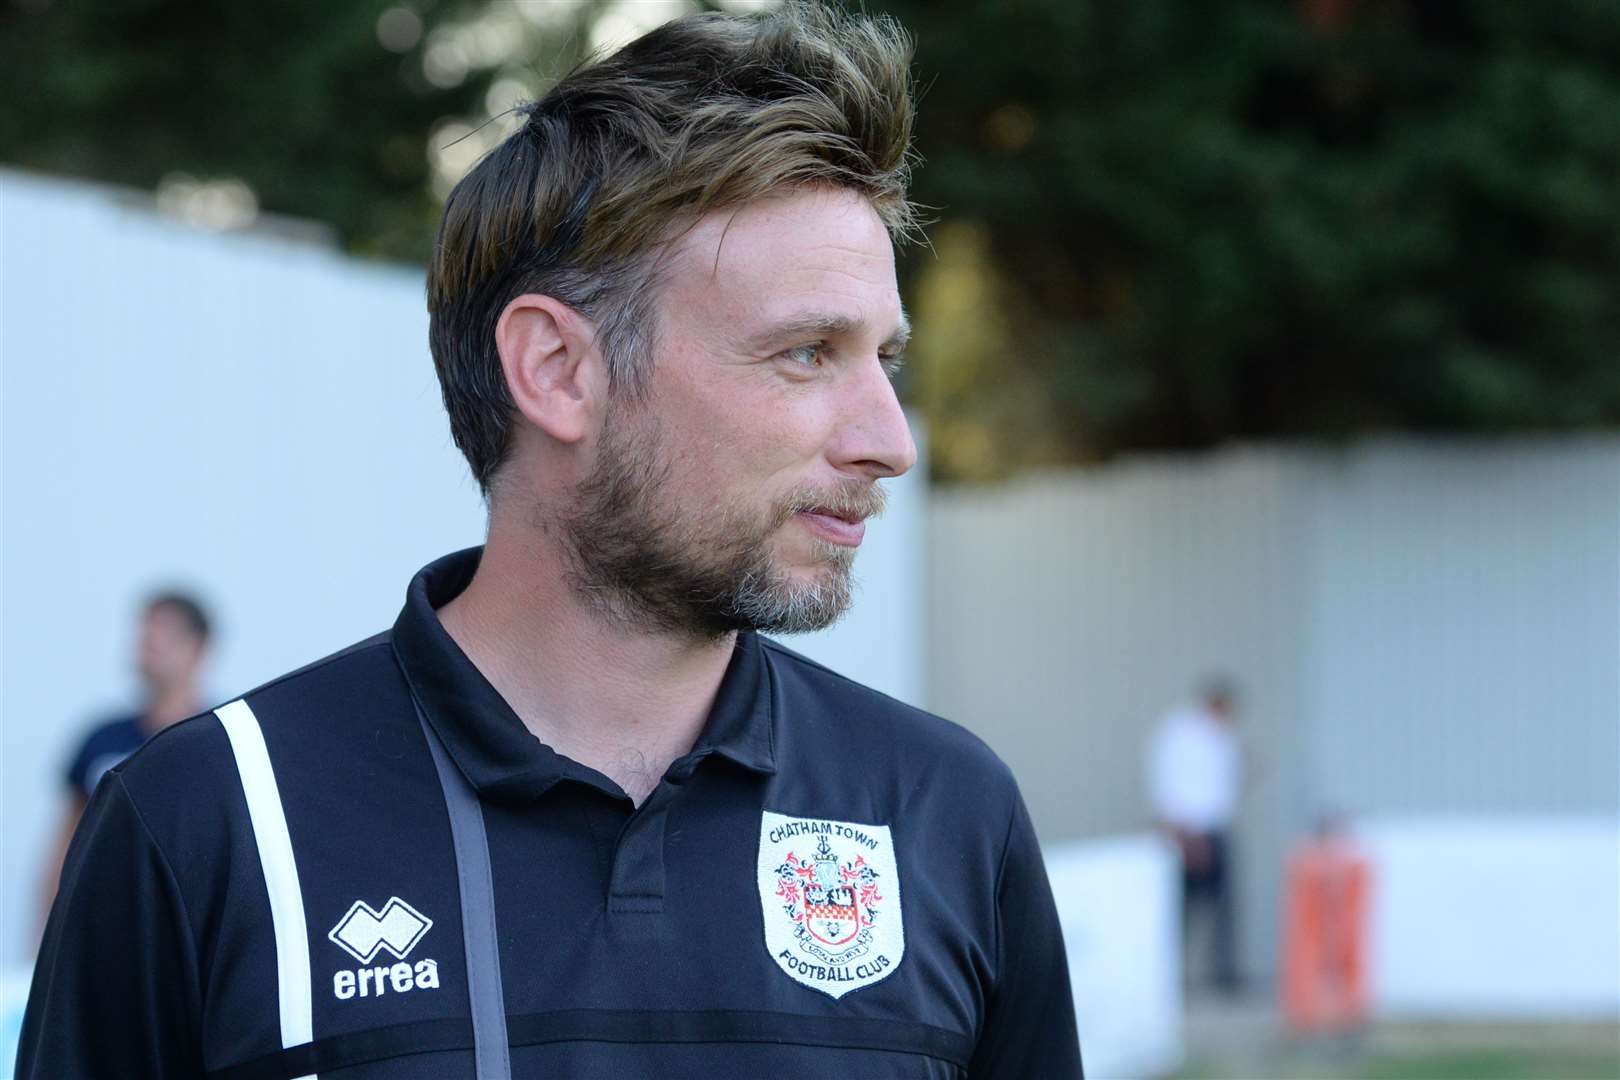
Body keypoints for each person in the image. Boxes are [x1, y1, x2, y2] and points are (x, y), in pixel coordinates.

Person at [18, 5, 1083, 1077]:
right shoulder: (209, 824)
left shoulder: (945, 811)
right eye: (808, 353)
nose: (888, 441)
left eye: (881, 360)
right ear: (558, 370)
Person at [35, 589, 211, 933]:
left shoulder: (218, 742)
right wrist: (45, 936)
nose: (151, 644)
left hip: (188, 930)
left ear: (198, 647)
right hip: (105, 927)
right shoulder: (102, 740)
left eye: (167, 632)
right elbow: (66, 842)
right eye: (146, 632)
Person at [1148, 677, 1244, 993]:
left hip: (1215, 830)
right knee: (1181, 909)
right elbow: (1172, 785)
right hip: (1189, 833)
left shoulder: (1221, 736)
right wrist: (1183, 835)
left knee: (1221, 907)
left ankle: (1222, 976)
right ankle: (1171, 978)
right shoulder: (1181, 734)